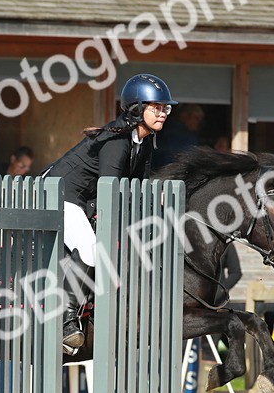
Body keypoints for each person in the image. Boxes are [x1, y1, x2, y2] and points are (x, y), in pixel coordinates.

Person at [42, 73, 176, 350]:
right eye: (157, 108)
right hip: (60, 196)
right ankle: (66, 320)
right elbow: (110, 191)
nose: (163, 113)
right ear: (138, 108)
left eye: (165, 108)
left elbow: (139, 188)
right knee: (90, 249)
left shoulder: (144, 141)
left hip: (83, 201)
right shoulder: (118, 141)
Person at [152, 103, 204, 168]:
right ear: (185, 116)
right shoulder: (186, 137)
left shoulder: (161, 131)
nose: (199, 122)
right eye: (197, 118)